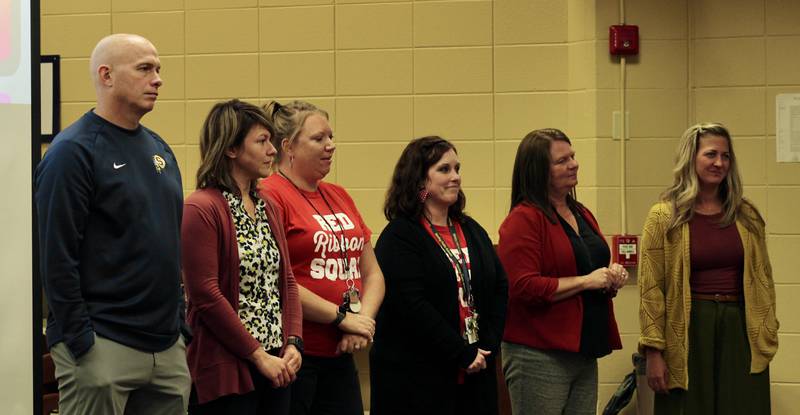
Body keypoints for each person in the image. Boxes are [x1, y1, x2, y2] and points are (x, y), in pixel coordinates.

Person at [34, 34, 190, 414]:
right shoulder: (73, 152)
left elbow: (168, 243)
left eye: (158, 69)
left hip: (166, 347)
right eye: (144, 69)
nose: (157, 79)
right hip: (103, 344)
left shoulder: (159, 148)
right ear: (106, 75)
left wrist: (179, 329)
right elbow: (56, 257)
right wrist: (81, 341)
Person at [638, 123, 778, 414]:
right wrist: (654, 351)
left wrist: (768, 328)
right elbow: (652, 288)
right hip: (689, 328)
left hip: (739, 327)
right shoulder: (665, 216)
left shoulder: (746, 214)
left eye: (726, 156)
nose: (719, 163)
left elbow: (763, 277)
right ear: (691, 158)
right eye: (711, 154)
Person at [260, 100, 385, 415]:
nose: (331, 145)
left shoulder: (338, 194)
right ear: (288, 146)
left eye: (331, 137)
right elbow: (278, 279)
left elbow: (373, 274)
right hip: (298, 354)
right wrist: (342, 318)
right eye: (319, 139)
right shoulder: (270, 195)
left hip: (342, 350)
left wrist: (360, 324)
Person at [370, 136, 508, 415]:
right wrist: (461, 352)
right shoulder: (400, 236)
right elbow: (413, 306)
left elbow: (500, 287)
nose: (455, 177)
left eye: (457, 169)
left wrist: (486, 346)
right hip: (420, 377)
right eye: (444, 170)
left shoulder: (470, 229)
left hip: (474, 370)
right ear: (420, 180)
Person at [181, 99, 303, 414]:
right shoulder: (202, 207)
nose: (273, 150)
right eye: (262, 141)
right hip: (229, 364)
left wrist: (293, 342)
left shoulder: (267, 205)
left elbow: (286, 281)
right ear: (232, 149)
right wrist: (258, 355)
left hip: (276, 363)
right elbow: (205, 294)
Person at [497, 128, 626, 415]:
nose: (573, 164)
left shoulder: (580, 212)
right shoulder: (523, 219)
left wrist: (609, 279)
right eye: (562, 160)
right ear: (539, 171)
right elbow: (522, 286)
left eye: (573, 156)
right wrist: (586, 281)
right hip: (539, 354)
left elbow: (586, 271)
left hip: (583, 348)